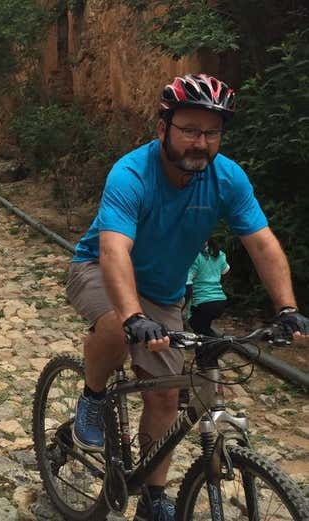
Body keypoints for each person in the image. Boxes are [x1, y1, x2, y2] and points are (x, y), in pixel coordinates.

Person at [65, 74, 309, 521]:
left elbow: (262, 243)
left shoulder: (227, 178)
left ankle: (153, 499)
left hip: (163, 293)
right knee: (117, 327)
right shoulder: (131, 173)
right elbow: (114, 249)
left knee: (165, 400)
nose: (201, 142)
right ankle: (94, 396)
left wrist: (287, 308)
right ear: (163, 128)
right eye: (190, 130)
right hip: (99, 270)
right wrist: (133, 316)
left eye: (211, 133)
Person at [185, 238, 229, 336]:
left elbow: (187, 283)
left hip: (203, 302)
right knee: (203, 328)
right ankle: (213, 344)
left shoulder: (194, 257)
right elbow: (225, 270)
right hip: (220, 300)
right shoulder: (219, 254)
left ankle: (220, 342)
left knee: (196, 326)